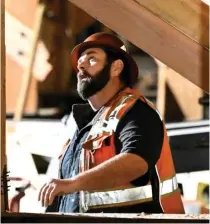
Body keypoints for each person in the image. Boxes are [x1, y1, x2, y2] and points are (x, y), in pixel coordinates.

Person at [38, 32, 185, 214]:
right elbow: (66, 192)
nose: (81, 65)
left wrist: (72, 183)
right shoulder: (84, 126)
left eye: (92, 59)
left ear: (116, 67)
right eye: (79, 62)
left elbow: (135, 162)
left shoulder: (137, 112)